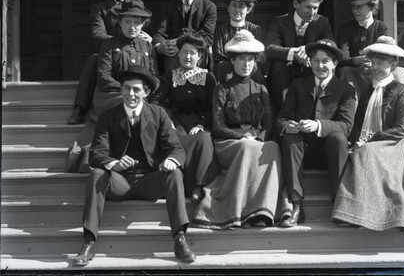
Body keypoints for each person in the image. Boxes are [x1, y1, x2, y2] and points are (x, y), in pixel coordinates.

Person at [73, 65, 195, 266]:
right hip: (120, 182)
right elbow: (96, 153)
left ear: (146, 93)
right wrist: (115, 164)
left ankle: (180, 239)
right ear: (121, 89)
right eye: (126, 88)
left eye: (136, 89)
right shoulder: (108, 116)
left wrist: (170, 161)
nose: (130, 94)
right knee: (96, 174)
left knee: (175, 174)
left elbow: (177, 149)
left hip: (150, 181)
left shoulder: (159, 114)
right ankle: (89, 242)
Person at [192, 30, 290, 229]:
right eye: (242, 60)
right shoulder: (223, 89)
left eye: (250, 60)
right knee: (247, 147)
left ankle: (263, 210)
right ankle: (241, 212)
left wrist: (260, 138)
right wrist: (243, 137)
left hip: (255, 140)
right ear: (233, 62)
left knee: (271, 147)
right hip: (229, 143)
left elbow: (268, 123)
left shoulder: (261, 89)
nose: (246, 65)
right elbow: (218, 126)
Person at [331, 36, 404, 231]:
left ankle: (365, 215)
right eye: (373, 62)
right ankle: (351, 211)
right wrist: (354, 140)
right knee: (354, 152)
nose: (374, 67)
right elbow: (359, 120)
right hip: (367, 141)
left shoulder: (401, 91)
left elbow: (401, 128)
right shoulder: (369, 89)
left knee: (365, 154)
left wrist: (370, 140)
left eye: (380, 63)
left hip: (392, 143)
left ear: (393, 64)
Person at [276, 39, 356, 227]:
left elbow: (346, 125)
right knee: (289, 138)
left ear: (334, 64)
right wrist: (289, 126)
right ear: (310, 63)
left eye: (325, 61)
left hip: (329, 151)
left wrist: (318, 125)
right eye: (315, 61)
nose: (320, 66)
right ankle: (296, 206)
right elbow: (281, 118)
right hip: (301, 151)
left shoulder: (346, 90)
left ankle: (340, 205)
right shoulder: (298, 85)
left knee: (339, 139)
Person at [67, 0, 152, 124]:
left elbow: (142, 30)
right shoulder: (100, 9)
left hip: (133, 54)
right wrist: (119, 44)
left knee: (148, 54)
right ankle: (80, 108)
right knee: (94, 60)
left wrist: (146, 38)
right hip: (108, 53)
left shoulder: (137, 8)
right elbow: (98, 35)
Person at [153, 32, 219, 202]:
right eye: (184, 52)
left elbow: (215, 106)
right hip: (177, 122)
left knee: (203, 139)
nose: (187, 56)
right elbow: (155, 102)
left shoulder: (208, 77)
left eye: (192, 53)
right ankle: (177, 184)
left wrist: (203, 124)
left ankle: (198, 185)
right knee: (176, 139)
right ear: (178, 54)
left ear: (199, 56)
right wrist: (167, 120)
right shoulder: (170, 76)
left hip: (201, 122)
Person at [265, 0, 333, 113]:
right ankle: (284, 116)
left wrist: (309, 50)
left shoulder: (322, 22)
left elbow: (330, 43)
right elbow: (269, 48)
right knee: (278, 67)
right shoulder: (280, 21)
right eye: (308, 7)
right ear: (296, 4)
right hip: (286, 70)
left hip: (309, 67)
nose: (312, 12)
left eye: (315, 8)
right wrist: (296, 52)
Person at [151, 0, 217, 75]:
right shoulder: (167, 6)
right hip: (172, 55)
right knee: (171, 60)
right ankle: (173, 92)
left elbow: (207, 37)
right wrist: (160, 46)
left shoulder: (209, 7)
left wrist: (182, 43)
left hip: (197, 53)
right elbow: (159, 33)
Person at [335, 0, 389, 102]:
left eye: (359, 6)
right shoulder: (345, 27)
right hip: (352, 72)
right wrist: (356, 60)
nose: (355, 10)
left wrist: (372, 62)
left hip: (374, 71)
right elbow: (342, 58)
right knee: (344, 71)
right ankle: (349, 108)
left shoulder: (381, 28)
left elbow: (384, 54)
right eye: (353, 6)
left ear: (371, 5)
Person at [212, 0, 265, 83]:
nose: (237, 10)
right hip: (227, 65)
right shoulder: (219, 30)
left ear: (248, 9)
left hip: (248, 65)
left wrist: (242, 59)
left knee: (255, 67)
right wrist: (237, 59)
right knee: (222, 66)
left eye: (241, 6)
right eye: (233, 6)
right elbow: (218, 54)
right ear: (228, 8)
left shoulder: (255, 29)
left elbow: (258, 55)